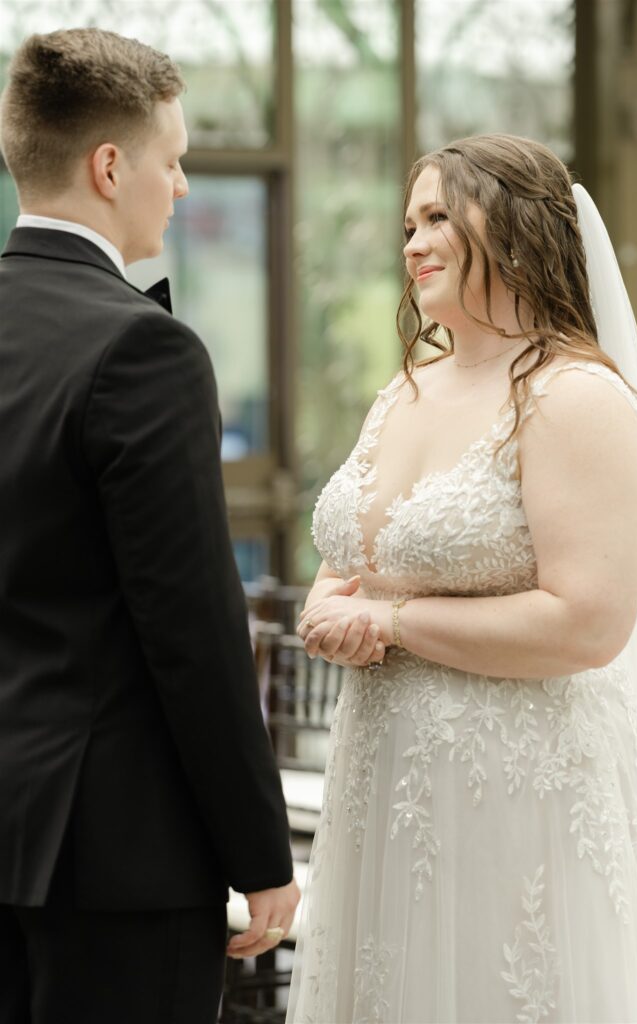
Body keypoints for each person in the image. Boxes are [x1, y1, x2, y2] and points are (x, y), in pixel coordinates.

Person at [286, 135, 637, 1022]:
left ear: (510, 232)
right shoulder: (406, 389)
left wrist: (390, 625)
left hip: (516, 787)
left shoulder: (571, 396)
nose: (412, 244)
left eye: (436, 219)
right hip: (384, 779)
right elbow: (352, 562)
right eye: (406, 224)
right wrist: (326, 606)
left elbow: (586, 623)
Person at [0, 28, 298, 1024]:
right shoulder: (143, 350)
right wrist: (261, 854)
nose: (179, 188)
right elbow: (195, 632)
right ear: (109, 165)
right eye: (171, 162)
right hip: (113, 864)